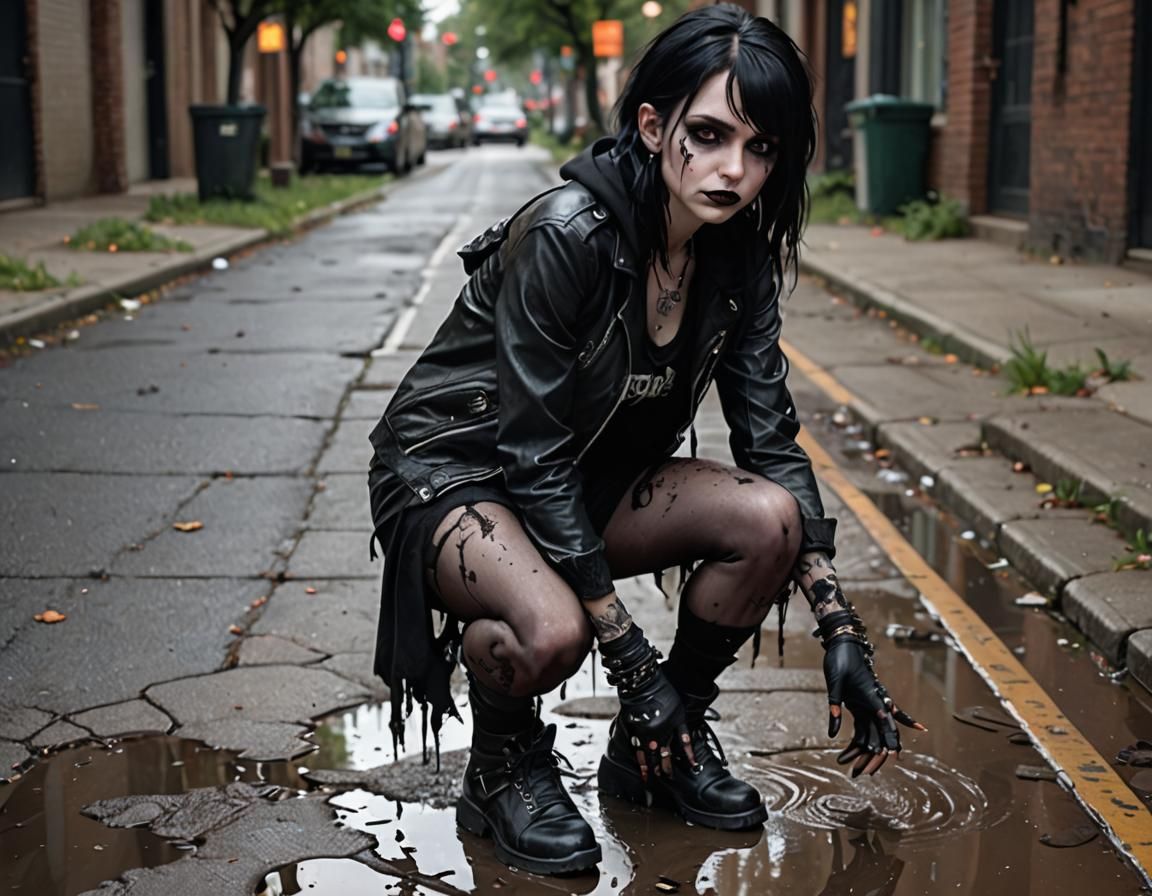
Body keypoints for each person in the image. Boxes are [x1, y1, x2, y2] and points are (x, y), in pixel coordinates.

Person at [366, 3, 923, 876]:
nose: (735, 170)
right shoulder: (565, 235)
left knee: (769, 519)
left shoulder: (736, 258)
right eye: (709, 134)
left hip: (585, 472)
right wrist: (631, 659)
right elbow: (531, 454)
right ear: (654, 125)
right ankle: (503, 766)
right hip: (457, 475)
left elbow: (770, 438)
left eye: (763, 147)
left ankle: (654, 749)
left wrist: (840, 624)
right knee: (551, 633)